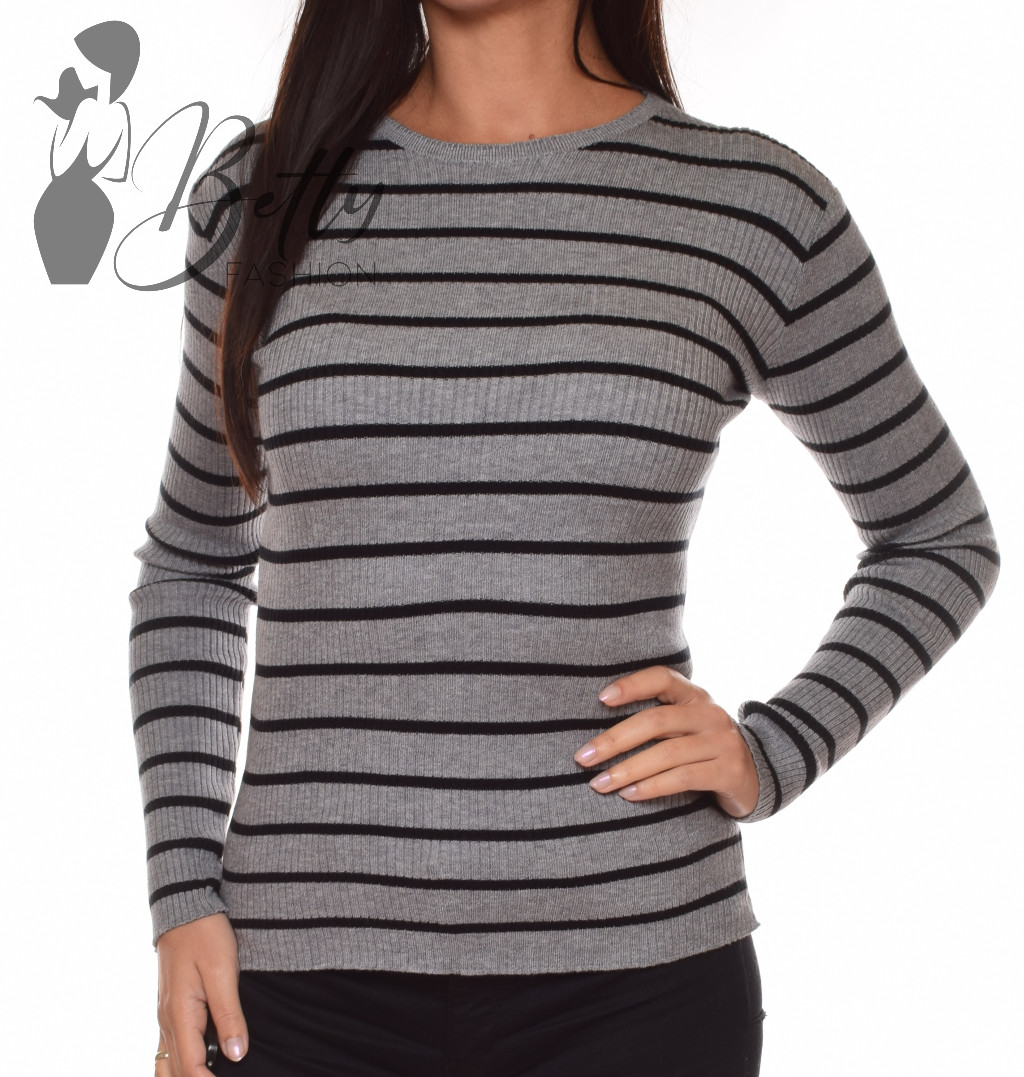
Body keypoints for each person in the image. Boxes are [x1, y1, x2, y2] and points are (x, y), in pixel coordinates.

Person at [127, 2, 1000, 1075]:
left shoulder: (754, 207)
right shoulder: (261, 194)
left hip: (637, 985)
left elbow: (938, 534)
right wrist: (182, 893)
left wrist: (773, 750)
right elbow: (196, 562)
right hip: (293, 987)